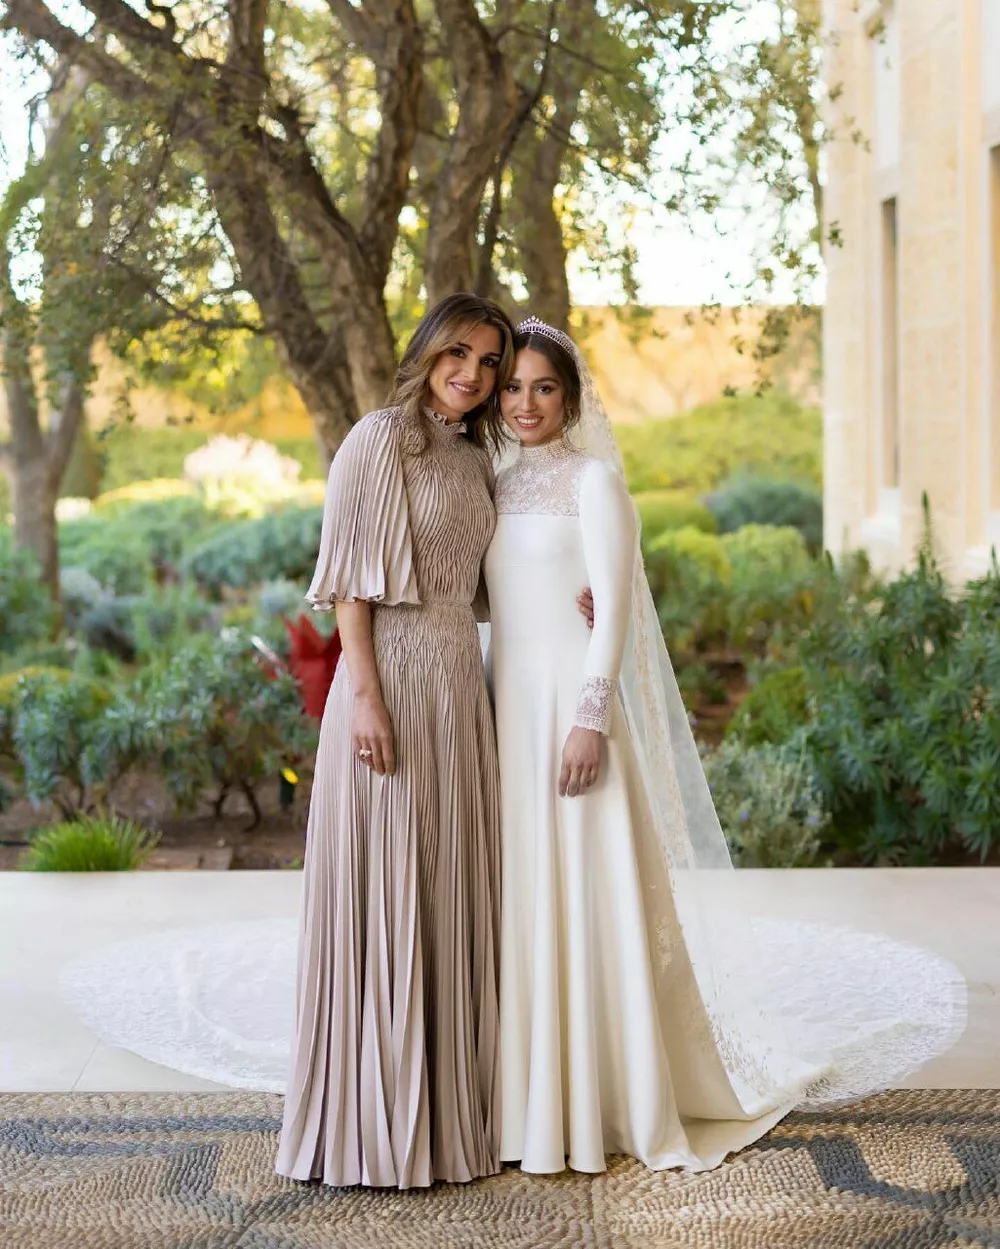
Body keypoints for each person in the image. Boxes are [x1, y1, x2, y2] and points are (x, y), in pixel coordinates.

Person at [483, 318, 826, 1174]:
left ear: (571, 397)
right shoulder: (493, 481)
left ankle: (608, 1096)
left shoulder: (596, 483)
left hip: (572, 715)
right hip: (505, 714)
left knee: (588, 895)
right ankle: (522, 1103)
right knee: (522, 900)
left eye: (544, 387)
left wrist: (589, 718)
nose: (525, 403)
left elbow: (614, 611)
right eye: (513, 387)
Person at [274, 292, 514, 1189]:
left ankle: (448, 1118)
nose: (472, 374)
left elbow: (492, 583)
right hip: (390, 684)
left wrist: (578, 592)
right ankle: (371, 1126)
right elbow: (351, 591)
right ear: (427, 351)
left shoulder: (475, 457)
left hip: (458, 684)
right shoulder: (378, 438)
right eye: (458, 353)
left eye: (488, 362)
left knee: (447, 884)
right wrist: (366, 698)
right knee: (387, 879)